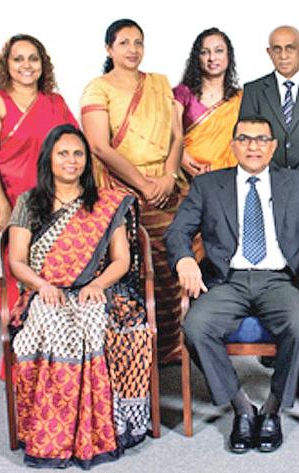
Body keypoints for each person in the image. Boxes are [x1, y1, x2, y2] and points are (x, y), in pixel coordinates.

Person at [165, 116, 299, 454]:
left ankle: (273, 409)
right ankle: (242, 408)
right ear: (233, 145)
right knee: (195, 326)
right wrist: (184, 259)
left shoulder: (297, 183)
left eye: (261, 139)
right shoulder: (208, 186)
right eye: (245, 139)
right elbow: (177, 232)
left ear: (273, 146)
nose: (253, 146)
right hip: (226, 280)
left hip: (278, 279)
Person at [7, 124, 151, 468]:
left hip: (96, 289)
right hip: (47, 291)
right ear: (49, 159)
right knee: (52, 329)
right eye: (63, 154)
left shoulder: (105, 203)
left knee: (96, 326)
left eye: (78, 154)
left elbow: (121, 260)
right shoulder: (29, 202)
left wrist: (98, 284)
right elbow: (16, 261)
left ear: (87, 161)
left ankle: (98, 432)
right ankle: (51, 436)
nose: (71, 161)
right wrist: (42, 286)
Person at [81, 18, 185, 364]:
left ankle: (172, 344)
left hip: (166, 188)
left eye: (138, 42)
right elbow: (99, 146)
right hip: (123, 192)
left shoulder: (158, 83)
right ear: (109, 49)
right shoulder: (98, 89)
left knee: (175, 263)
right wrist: (142, 185)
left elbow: (176, 136)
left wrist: (169, 176)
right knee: (137, 268)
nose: (133, 49)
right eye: (124, 42)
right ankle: (137, 347)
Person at [0, 34, 78, 314]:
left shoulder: (56, 103)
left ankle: (58, 357)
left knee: (58, 280)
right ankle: (18, 357)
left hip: (58, 206)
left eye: (33, 58)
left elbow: (77, 151)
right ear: (6, 64)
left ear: (43, 64)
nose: (26, 65)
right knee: (15, 284)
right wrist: (5, 209)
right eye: (18, 59)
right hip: (11, 204)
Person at [239, 25, 299, 198]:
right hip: (266, 186)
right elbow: (247, 138)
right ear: (269, 53)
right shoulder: (253, 90)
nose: (283, 56)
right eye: (277, 49)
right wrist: (275, 177)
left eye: (290, 48)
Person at [174, 27, 242, 175]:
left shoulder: (240, 98)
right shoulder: (182, 93)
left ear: (228, 55)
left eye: (219, 51)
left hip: (226, 176)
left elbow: (244, 141)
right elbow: (171, 136)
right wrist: (191, 167)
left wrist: (214, 169)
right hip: (185, 176)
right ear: (197, 58)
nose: (212, 58)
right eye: (205, 52)